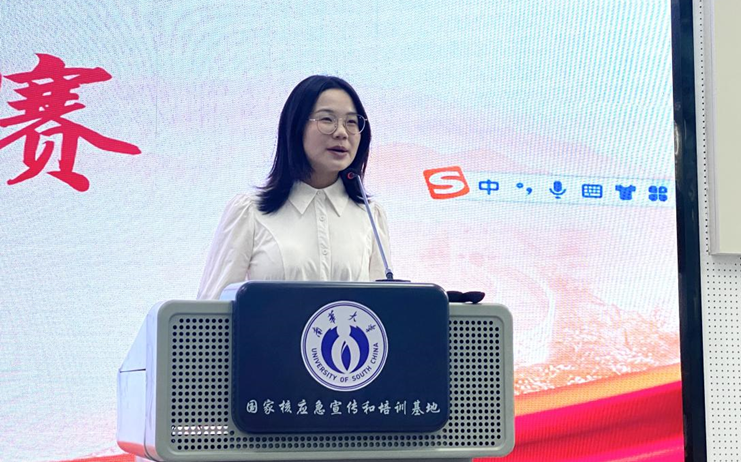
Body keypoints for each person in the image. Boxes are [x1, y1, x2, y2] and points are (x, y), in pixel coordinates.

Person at [197, 75, 391, 300]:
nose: (341, 132)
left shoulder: (370, 215)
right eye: (327, 119)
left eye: (351, 122)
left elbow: (384, 308)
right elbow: (212, 308)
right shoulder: (250, 211)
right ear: (296, 127)